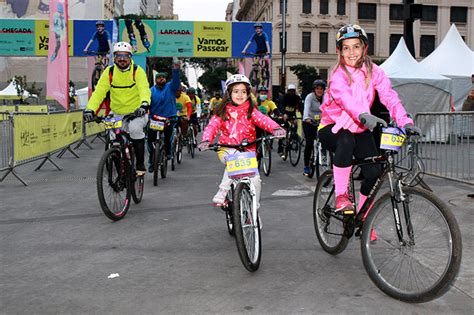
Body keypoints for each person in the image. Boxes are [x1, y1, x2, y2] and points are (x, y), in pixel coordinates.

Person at [318, 24, 421, 218]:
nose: (351, 52)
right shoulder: (338, 75)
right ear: (339, 51)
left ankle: (363, 216)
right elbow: (345, 99)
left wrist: (404, 121)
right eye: (346, 47)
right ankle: (341, 195)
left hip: (361, 127)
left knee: (375, 173)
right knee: (345, 140)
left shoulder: (375, 71)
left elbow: (389, 96)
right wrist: (363, 114)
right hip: (332, 128)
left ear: (365, 48)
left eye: (356, 46)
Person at [197, 74, 286, 205]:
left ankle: (254, 212)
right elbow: (212, 126)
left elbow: (263, 120)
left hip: (248, 151)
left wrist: (275, 128)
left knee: (256, 180)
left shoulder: (251, 110)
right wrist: (206, 140)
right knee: (235, 161)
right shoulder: (222, 112)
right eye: (236, 91)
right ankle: (223, 191)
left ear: (248, 93)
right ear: (228, 93)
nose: (240, 95)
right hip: (226, 149)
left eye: (244, 91)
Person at [83, 41, 151, 175]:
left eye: (125, 56)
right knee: (112, 138)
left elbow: (144, 90)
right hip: (117, 113)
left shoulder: (137, 71)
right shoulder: (109, 72)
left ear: (130, 57)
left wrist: (144, 104)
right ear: (114, 58)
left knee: (135, 130)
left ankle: (140, 164)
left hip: (136, 113)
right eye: (118, 56)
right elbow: (99, 93)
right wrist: (90, 109)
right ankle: (120, 172)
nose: (122, 59)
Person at [147, 62, 181, 172]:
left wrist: (175, 70)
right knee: (150, 141)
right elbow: (146, 102)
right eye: (159, 77)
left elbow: (176, 82)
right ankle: (152, 161)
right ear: (156, 79)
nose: (162, 79)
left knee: (167, 138)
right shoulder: (151, 90)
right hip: (155, 119)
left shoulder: (170, 87)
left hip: (169, 118)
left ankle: (168, 152)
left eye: (163, 77)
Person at [302, 79, 326, 177]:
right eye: (317, 88)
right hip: (309, 122)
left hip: (321, 122)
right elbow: (306, 109)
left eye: (321, 89)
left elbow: (328, 109)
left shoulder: (326, 98)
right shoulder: (309, 97)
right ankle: (306, 166)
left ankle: (327, 159)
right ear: (314, 89)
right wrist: (307, 118)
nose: (319, 91)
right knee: (309, 143)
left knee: (326, 140)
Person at [278, 83, 302, 157]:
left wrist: (298, 116)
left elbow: (300, 107)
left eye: (293, 91)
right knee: (282, 132)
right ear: (287, 91)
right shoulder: (283, 98)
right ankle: (281, 149)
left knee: (295, 127)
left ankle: (294, 140)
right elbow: (281, 106)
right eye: (290, 91)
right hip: (284, 115)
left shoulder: (297, 98)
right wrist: (283, 114)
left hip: (292, 115)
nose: (291, 92)